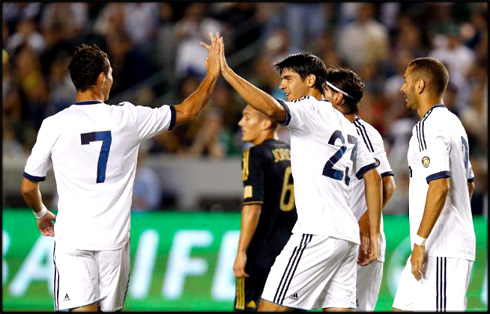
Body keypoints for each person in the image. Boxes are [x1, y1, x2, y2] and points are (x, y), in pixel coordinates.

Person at [20, 32, 222, 312]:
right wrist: (211, 74)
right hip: (112, 242)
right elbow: (188, 111)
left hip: (72, 239)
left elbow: (28, 187)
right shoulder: (128, 118)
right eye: (111, 72)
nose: (112, 78)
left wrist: (42, 214)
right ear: (102, 78)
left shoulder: (54, 124)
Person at [206, 36, 382, 311]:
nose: (282, 85)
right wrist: (371, 232)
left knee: (270, 308)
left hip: (316, 230)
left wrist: (226, 72)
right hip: (347, 235)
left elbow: (272, 108)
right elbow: (374, 176)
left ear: (310, 80)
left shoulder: (309, 109)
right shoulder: (347, 124)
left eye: (288, 78)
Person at [392, 57, 476, 311]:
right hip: (437, 245)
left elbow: (439, 186)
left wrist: (420, 241)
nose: (401, 88)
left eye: (406, 81)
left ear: (420, 85)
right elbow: (468, 185)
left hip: (440, 248)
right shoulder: (454, 123)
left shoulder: (429, 126)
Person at [323, 66, 396, 311]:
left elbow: (386, 183)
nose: (320, 97)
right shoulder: (330, 131)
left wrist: (366, 225)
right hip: (338, 237)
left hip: (362, 239)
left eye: (324, 91)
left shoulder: (363, 132)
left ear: (338, 97)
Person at [233, 104, 297, 312]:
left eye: (247, 118)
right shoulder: (293, 153)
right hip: (290, 250)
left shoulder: (255, 154)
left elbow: (253, 205)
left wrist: (242, 251)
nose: (241, 123)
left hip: (261, 252)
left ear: (266, 123)